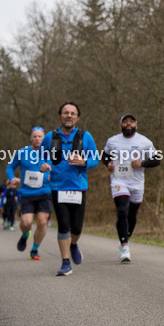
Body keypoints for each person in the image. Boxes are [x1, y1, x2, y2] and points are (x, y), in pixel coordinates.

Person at [38, 102, 99, 276]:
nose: (69, 115)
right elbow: (42, 159)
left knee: (77, 228)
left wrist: (84, 162)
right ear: (60, 116)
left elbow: (95, 159)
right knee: (63, 224)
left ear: (77, 117)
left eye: (72, 113)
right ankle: (65, 262)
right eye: (66, 112)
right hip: (58, 187)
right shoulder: (50, 137)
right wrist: (44, 167)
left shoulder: (85, 137)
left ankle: (73, 244)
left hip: (78, 187)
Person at [102, 113, 160, 263]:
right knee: (122, 210)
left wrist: (142, 164)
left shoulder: (144, 141)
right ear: (120, 125)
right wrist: (108, 163)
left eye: (131, 122)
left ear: (136, 125)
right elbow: (105, 155)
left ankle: (125, 237)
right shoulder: (113, 140)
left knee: (132, 214)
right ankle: (125, 246)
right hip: (118, 180)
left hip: (137, 182)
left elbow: (156, 159)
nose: (128, 124)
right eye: (125, 122)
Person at [6, 126, 52, 260]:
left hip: (45, 192)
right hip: (27, 193)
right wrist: (12, 178)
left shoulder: (50, 153)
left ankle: (35, 249)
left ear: (44, 139)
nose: (37, 139)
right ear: (30, 138)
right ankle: (25, 235)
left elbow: (57, 168)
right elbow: (10, 167)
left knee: (42, 223)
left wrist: (52, 173)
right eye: (35, 136)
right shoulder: (22, 152)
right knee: (26, 223)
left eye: (40, 136)